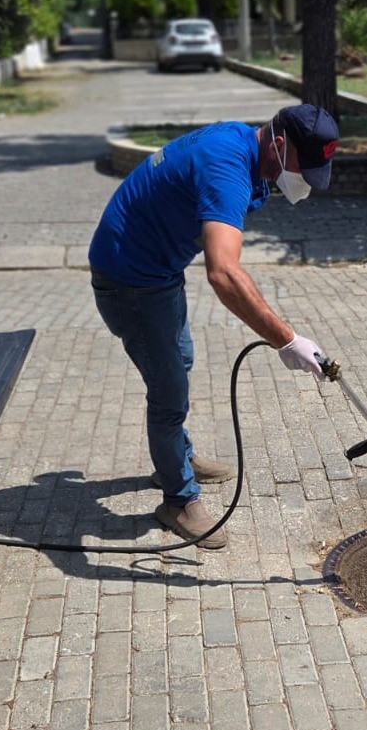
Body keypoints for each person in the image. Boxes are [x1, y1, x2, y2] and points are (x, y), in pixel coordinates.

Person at [88, 103, 339, 549]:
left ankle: (177, 457)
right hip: (130, 280)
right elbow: (223, 273)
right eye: (305, 167)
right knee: (168, 392)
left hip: (157, 271)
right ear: (280, 145)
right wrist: (286, 340)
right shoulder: (227, 168)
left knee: (179, 360)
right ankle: (178, 499)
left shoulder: (243, 145)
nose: (306, 179)